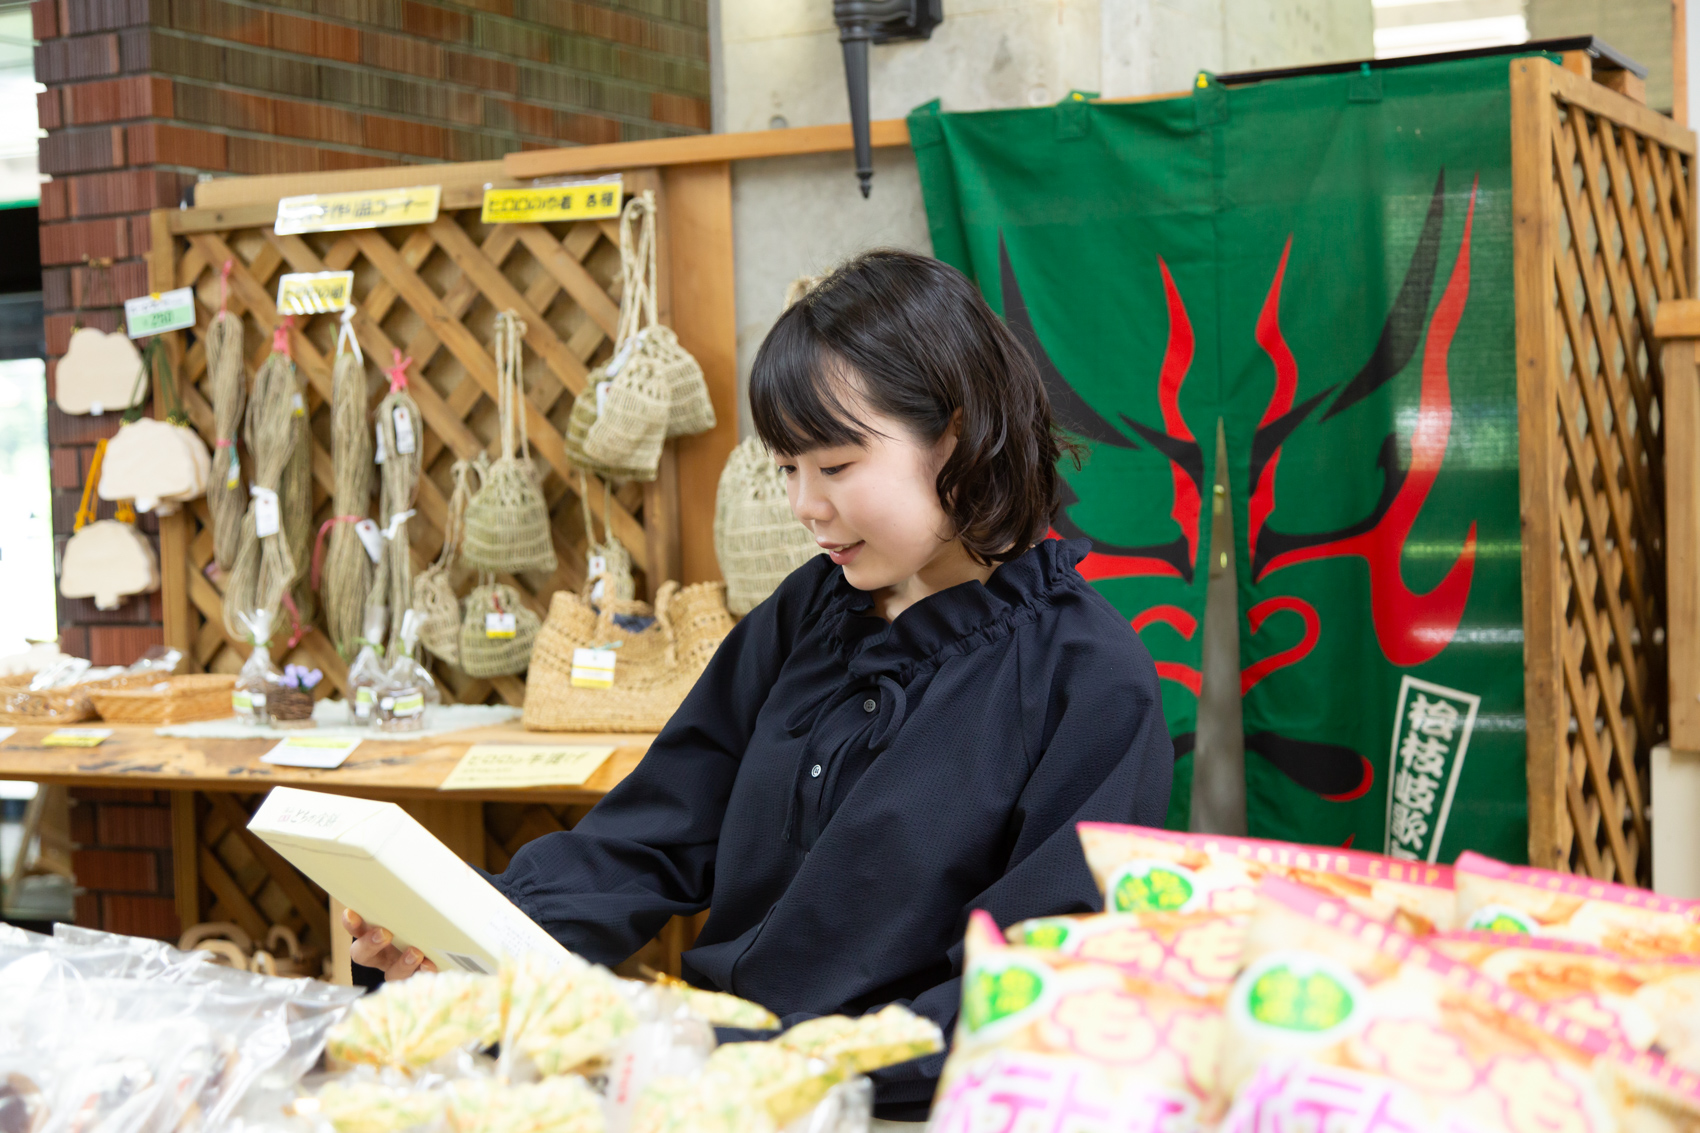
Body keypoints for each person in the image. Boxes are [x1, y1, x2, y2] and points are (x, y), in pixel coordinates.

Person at [344, 249, 1174, 1119]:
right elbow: (652, 833)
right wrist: (467, 941)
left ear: (955, 437)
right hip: (711, 1086)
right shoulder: (811, 613)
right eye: (788, 467)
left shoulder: (1090, 680)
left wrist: (780, 1064)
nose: (804, 506)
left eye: (838, 465)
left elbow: (1036, 987)